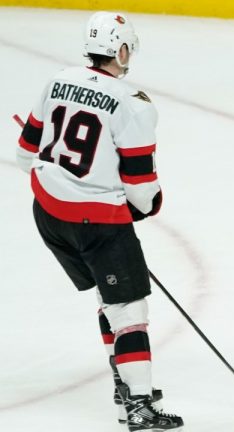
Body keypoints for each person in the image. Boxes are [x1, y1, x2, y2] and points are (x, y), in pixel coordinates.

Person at [16, 11, 183, 431]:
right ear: (122, 50)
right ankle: (139, 406)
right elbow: (142, 189)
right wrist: (143, 207)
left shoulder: (57, 80)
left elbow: (24, 154)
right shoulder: (133, 103)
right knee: (129, 309)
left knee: (110, 297)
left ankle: (124, 382)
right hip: (96, 224)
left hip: (48, 214)